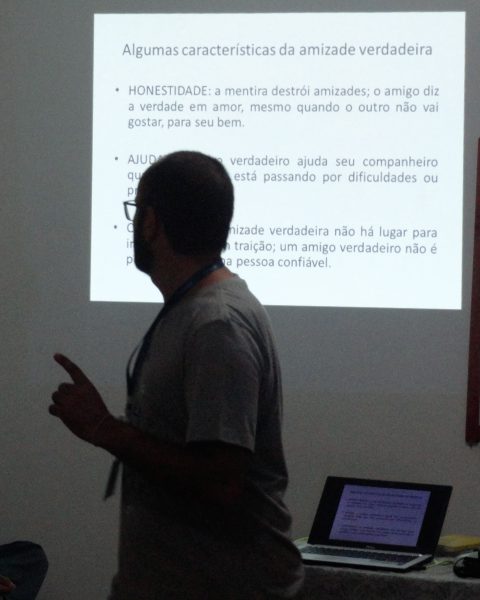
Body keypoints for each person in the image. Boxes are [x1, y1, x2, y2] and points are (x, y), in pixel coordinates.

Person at [49, 151, 304, 599]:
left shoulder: (217, 323)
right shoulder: (194, 310)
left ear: (151, 222)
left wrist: (105, 428)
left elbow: (220, 480)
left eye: (136, 210)